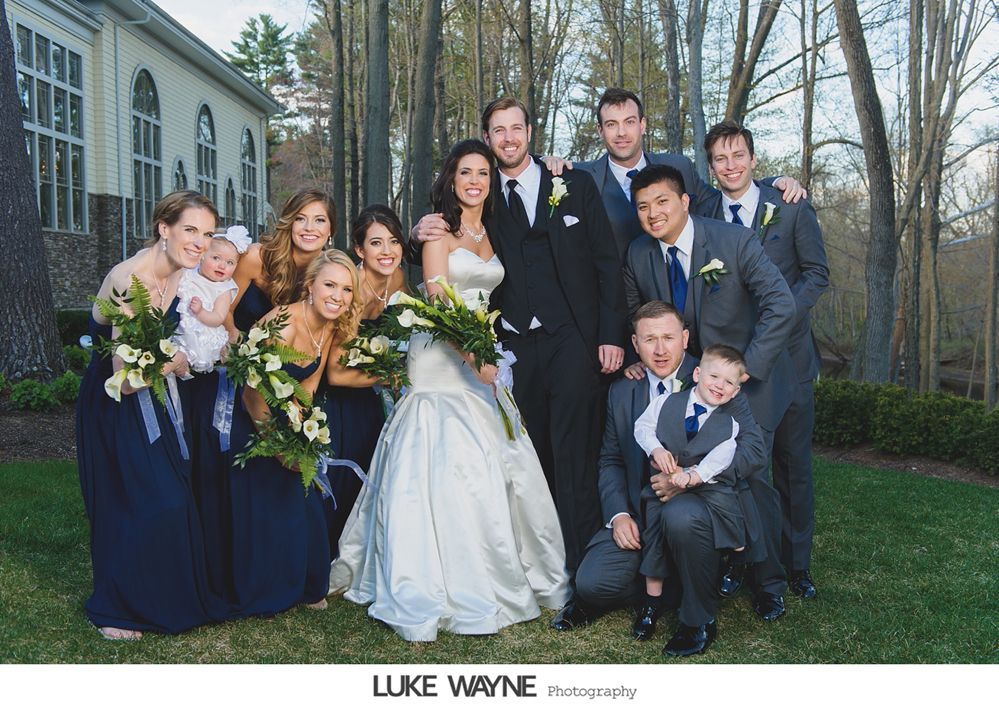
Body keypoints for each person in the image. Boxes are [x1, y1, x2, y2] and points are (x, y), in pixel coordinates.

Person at [330, 139, 571, 642]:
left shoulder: (496, 229)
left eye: (483, 172)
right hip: (443, 355)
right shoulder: (438, 232)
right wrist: (477, 358)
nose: (476, 181)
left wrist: (488, 358)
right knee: (443, 459)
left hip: (483, 354)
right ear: (451, 179)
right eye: (466, 172)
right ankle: (438, 577)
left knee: (500, 455)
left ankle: (505, 565)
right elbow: (439, 302)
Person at [411, 98, 628, 590]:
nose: (508, 138)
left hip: (572, 337)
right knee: (527, 453)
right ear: (487, 138)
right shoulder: (483, 199)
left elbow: (605, 262)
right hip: (510, 347)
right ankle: (536, 562)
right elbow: (447, 244)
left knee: (576, 449)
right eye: (497, 130)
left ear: (531, 131)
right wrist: (413, 234)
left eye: (516, 128)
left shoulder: (572, 183)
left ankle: (583, 567)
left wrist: (610, 336)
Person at [622, 164, 796, 622]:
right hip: (685, 383)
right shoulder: (640, 254)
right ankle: (708, 567)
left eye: (662, 202)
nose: (653, 213)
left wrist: (743, 373)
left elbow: (781, 304)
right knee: (690, 472)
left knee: (752, 477)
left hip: (736, 380)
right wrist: (639, 357)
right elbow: (633, 313)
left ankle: (768, 582)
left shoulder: (732, 241)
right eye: (642, 206)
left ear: (685, 201)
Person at [569, 302, 764, 646]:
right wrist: (619, 515)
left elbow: (753, 452)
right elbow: (612, 459)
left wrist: (689, 478)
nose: (660, 350)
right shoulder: (623, 389)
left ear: (685, 338)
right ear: (635, 344)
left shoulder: (716, 378)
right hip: (642, 513)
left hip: (695, 508)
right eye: (649, 340)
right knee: (591, 584)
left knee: (680, 516)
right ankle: (670, 582)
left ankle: (696, 616)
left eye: (668, 338)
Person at [77, 190, 223, 640]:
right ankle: (117, 609)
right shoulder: (129, 277)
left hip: (153, 391)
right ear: (164, 228)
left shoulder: (177, 273)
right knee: (134, 496)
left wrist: (178, 357)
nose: (200, 243)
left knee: (172, 492)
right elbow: (124, 376)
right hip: (114, 399)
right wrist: (173, 363)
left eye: (208, 234)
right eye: (191, 230)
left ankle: (164, 593)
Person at [696, 120, 830, 600]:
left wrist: (780, 319)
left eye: (738, 156)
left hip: (788, 362)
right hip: (732, 369)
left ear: (754, 159)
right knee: (738, 469)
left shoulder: (789, 206)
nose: (730, 166)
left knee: (792, 468)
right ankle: (742, 560)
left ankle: (797, 566)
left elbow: (816, 273)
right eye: (720, 159)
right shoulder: (704, 210)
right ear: (710, 168)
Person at [226, 249, 362, 618]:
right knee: (273, 499)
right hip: (253, 420)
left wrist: (305, 430)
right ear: (310, 286)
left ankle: (305, 584)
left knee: (307, 502)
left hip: (289, 418)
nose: (337, 296)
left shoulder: (332, 323)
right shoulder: (283, 324)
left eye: (346, 289)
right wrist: (277, 445)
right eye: (330, 285)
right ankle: (267, 589)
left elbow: (311, 383)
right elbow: (252, 392)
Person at [543, 88, 806, 261]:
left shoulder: (678, 167)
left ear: (643, 125)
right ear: (600, 130)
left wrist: (771, 184)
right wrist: (545, 161)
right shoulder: (579, 177)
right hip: (612, 310)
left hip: (678, 305)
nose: (621, 133)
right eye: (612, 125)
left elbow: (722, 198)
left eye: (629, 122)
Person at [632, 344, 761, 656]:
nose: (720, 385)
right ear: (698, 374)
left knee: (719, 511)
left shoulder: (729, 424)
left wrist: (691, 477)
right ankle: (651, 606)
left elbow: (721, 459)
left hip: (706, 490)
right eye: (714, 376)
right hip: (663, 489)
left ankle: (736, 558)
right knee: (656, 541)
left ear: (736, 390)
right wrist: (656, 450)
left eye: (729, 383)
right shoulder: (665, 403)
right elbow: (643, 428)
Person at [322, 205, 408, 551]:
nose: (387, 252)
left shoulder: (398, 278)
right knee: (347, 471)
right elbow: (335, 373)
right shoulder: (352, 289)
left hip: (370, 393)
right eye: (376, 243)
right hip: (338, 397)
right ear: (359, 250)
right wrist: (387, 377)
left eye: (393, 241)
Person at [172, 226, 250, 373]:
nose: (222, 266)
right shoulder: (189, 272)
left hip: (202, 332)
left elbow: (218, 317)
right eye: (216, 258)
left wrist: (201, 312)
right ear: (202, 255)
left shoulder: (224, 289)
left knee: (194, 357)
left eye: (230, 263)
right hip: (177, 324)